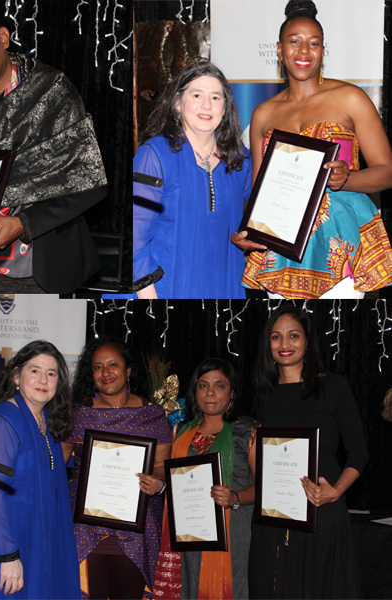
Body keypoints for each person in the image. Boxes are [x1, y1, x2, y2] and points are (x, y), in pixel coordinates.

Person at [0, 4, 107, 294]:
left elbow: (90, 182)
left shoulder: (52, 92)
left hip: (36, 268)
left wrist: (22, 224)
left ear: (2, 38)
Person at [234, 0, 392, 298]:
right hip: (280, 249)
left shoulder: (351, 98)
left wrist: (348, 178)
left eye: (314, 43)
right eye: (294, 42)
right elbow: (258, 188)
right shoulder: (263, 114)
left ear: (322, 51)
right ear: (279, 50)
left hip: (341, 244)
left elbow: (387, 173)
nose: (304, 51)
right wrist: (247, 232)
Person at [249, 305, 368, 597]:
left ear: (307, 340)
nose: (284, 344)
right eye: (276, 337)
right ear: (268, 344)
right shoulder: (264, 396)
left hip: (321, 513)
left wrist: (336, 491)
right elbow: (263, 471)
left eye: (293, 336)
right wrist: (253, 450)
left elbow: (359, 454)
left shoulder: (334, 387)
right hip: (274, 517)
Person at [61, 338, 171, 599]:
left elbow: (161, 468)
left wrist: (157, 483)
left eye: (113, 365)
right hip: (85, 530)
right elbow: (54, 464)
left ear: (128, 369)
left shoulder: (153, 415)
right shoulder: (79, 414)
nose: (105, 373)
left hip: (137, 532)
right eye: (98, 367)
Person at [133, 60, 251, 299]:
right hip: (165, 290)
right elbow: (136, 238)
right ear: (178, 103)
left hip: (225, 289)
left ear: (225, 107)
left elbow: (264, 211)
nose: (206, 105)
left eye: (216, 97)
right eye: (196, 95)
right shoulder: (153, 156)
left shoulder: (240, 158)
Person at [0, 340, 80, 599]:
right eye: (35, 370)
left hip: (39, 542)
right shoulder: (3, 421)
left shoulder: (47, 422)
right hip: (8, 546)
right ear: (17, 376)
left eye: (51, 373)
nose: (43, 379)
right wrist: (7, 556)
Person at [148, 359, 256, 599]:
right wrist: (159, 484)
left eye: (219, 386)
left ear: (232, 393)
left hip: (233, 536)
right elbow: (172, 479)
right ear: (194, 391)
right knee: (189, 587)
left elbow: (265, 489)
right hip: (189, 533)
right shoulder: (181, 432)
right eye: (203, 385)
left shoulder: (247, 431)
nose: (210, 392)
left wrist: (234, 497)